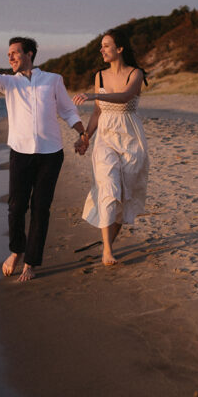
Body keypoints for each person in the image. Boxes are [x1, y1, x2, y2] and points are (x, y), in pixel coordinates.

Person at [0, 37, 89, 282]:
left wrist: (82, 133)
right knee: (16, 207)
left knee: (40, 210)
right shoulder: (8, 82)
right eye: (8, 55)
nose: (10, 58)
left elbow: (68, 110)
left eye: (14, 53)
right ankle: (16, 251)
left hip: (51, 154)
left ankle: (31, 263)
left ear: (29, 54)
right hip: (20, 153)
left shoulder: (53, 80)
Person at [72, 30, 149, 266]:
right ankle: (107, 251)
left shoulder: (136, 74)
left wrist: (94, 95)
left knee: (123, 195)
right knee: (108, 186)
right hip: (105, 136)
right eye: (101, 46)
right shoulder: (100, 76)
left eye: (106, 46)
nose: (102, 50)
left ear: (120, 48)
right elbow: (97, 111)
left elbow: (126, 97)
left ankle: (109, 245)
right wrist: (86, 137)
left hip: (130, 138)